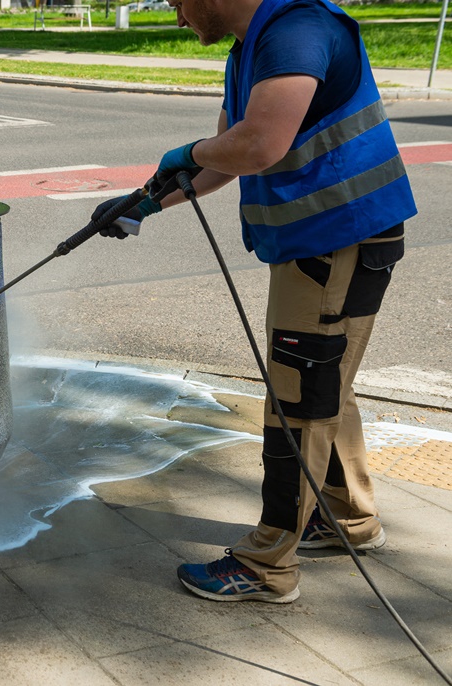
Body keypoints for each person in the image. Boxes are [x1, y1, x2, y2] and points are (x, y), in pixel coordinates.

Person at [93, 0, 417, 603]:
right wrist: (145, 202)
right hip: (321, 242)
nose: (177, 18)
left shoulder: (297, 31)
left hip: (338, 242)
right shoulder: (252, 45)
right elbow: (228, 154)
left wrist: (189, 156)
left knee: (299, 399)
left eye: (176, 2)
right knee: (325, 385)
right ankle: (346, 518)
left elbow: (259, 144)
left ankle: (269, 564)